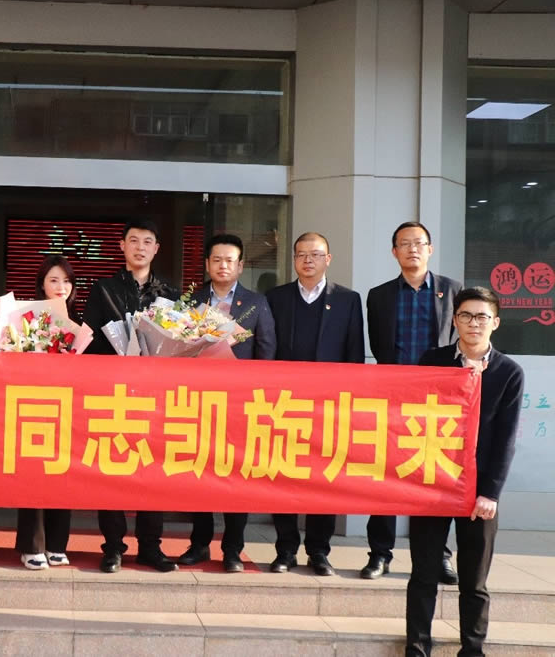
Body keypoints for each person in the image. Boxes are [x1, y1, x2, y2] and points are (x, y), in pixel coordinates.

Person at [406, 287, 524, 657]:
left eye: (482, 317)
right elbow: (412, 415)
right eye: (466, 316)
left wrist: (491, 493)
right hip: (434, 482)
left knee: (474, 580)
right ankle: (417, 647)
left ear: (495, 323)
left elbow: (506, 438)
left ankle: (472, 649)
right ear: (455, 320)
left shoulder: (508, 372)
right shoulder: (433, 361)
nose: (474, 323)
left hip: (479, 490)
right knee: (424, 574)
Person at [364, 221, 462, 582]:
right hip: (393, 398)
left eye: (419, 243)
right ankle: (380, 554)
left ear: (430, 249)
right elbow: (379, 346)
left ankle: (439, 555)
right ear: (395, 252)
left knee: (436, 478)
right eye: (404, 244)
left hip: (439, 400)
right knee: (386, 475)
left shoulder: (453, 290)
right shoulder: (379, 296)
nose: (412, 249)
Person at [82, 218, 180, 574]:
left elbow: (180, 346)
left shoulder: (171, 295)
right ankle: (113, 547)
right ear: (122, 246)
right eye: (134, 240)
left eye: (147, 241)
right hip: (113, 393)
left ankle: (151, 547)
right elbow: (90, 341)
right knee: (112, 470)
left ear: (156, 249)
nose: (140, 247)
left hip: (155, 396)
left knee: (153, 472)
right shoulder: (103, 289)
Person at [266, 232, 364, 576]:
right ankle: (285, 549)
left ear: (328, 259)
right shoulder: (276, 298)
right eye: (301, 254)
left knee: (324, 478)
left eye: (316, 254)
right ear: (293, 259)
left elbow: (354, 354)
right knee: (284, 477)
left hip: (329, 406)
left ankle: (319, 551)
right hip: (284, 404)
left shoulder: (348, 300)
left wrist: (349, 403)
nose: (308, 260)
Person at [178, 233, 276, 573]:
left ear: (240, 265)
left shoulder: (256, 303)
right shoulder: (189, 301)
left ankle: (233, 549)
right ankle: (199, 544)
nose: (223, 266)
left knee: (237, 477)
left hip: (239, 405)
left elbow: (266, 352)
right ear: (207, 264)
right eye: (217, 260)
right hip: (198, 403)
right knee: (199, 474)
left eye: (230, 260)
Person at [16, 255, 76, 570]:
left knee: (63, 475)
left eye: (66, 281)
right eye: (54, 280)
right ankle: (31, 545)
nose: (61, 286)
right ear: (42, 284)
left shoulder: (78, 320)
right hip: (33, 405)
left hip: (68, 407)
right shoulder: (26, 318)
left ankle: (56, 544)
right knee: (33, 475)